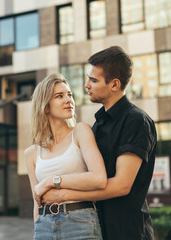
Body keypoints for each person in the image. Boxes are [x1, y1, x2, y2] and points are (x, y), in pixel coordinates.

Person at [41, 46, 157, 240]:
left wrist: (63, 195)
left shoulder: (135, 120)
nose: (87, 85)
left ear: (114, 84)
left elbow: (122, 185)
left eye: (93, 80)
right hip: (97, 230)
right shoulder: (98, 125)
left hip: (127, 232)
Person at [25, 73, 108, 240]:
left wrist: (51, 181)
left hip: (80, 222)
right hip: (44, 225)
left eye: (70, 95)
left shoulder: (81, 131)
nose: (68, 100)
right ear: (45, 106)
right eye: (59, 96)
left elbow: (99, 179)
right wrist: (37, 228)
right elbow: (37, 201)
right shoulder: (32, 153)